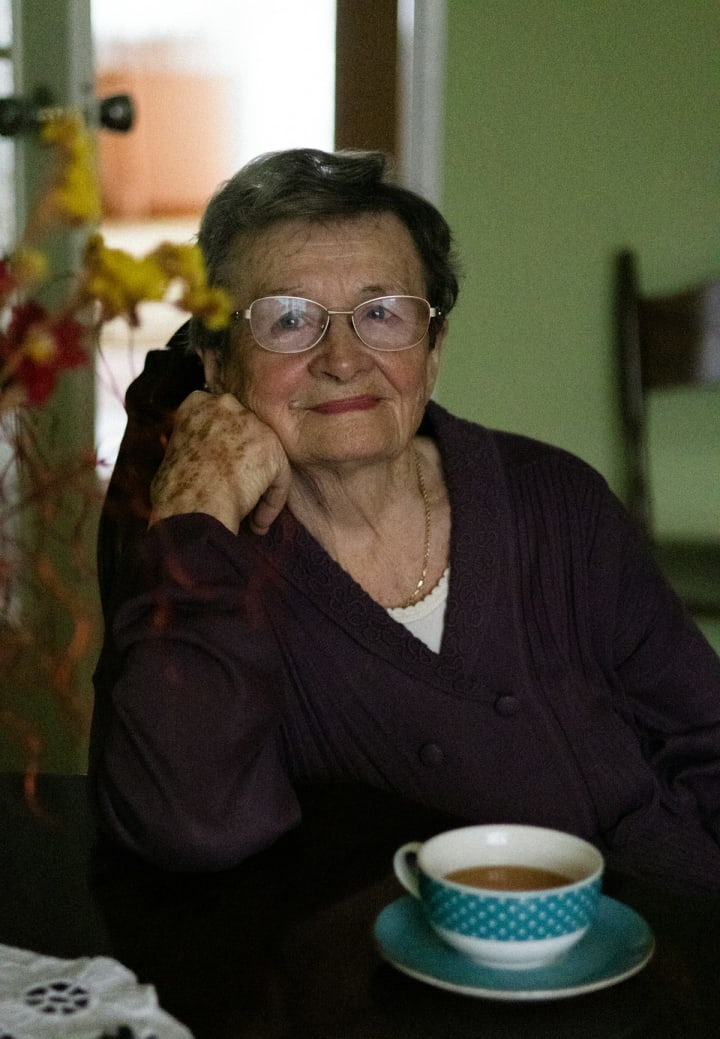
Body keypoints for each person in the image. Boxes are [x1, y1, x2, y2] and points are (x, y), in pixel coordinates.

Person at [90, 148, 720, 893]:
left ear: (434, 348)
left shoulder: (557, 500)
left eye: (382, 313)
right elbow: (185, 822)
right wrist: (195, 516)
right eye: (289, 319)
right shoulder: (199, 540)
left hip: (653, 925)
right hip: (382, 961)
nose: (343, 359)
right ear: (217, 363)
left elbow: (705, 736)